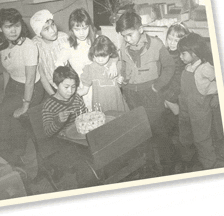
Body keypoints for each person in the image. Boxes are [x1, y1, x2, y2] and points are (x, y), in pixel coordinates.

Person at [115, 11, 175, 174]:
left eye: (130, 35)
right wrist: (123, 79)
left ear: (140, 29)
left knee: (159, 131)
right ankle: (148, 164)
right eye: (124, 36)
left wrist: (158, 86)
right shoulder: (123, 46)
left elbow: (170, 67)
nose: (127, 39)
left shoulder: (156, 44)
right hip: (131, 95)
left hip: (151, 94)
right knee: (141, 132)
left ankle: (168, 166)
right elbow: (125, 66)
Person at [0, 8, 44, 165]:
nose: (13, 30)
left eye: (16, 25)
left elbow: (30, 79)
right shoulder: (3, 44)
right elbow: (6, 70)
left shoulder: (28, 46)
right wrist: (6, 93)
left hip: (32, 89)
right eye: (7, 26)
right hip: (13, 85)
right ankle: (18, 152)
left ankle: (8, 157)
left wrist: (26, 105)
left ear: (21, 26)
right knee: (8, 115)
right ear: (0, 28)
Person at [55, 8, 118, 110]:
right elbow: (59, 66)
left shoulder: (96, 40)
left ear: (90, 26)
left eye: (84, 28)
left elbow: (113, 52)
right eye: (77, 29)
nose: (81, 33)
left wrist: (113, 65)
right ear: (71, 29)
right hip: (84, 86)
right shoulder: (68, 46)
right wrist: (71, 82)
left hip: (102, 84)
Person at [177, 33, 220, 170]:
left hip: (200, 110)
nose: (180, 57)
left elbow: (220, 81)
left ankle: (209, 164)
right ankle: (188, 159)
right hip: (185, 108)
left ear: (194, 53)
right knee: (185, 134)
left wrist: (216, 96)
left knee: (202, 138)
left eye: (183, 54)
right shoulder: (188, 66)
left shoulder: (205, 68)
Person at [78, 35, 129, 112]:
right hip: (101, 107)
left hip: (117, 104)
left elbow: (124, 85)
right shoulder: (89, 69)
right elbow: (84, 90)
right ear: (93, 54)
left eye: (104, 56)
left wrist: (120, 80)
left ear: (110, 53)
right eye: (97, 56)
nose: (100, 60)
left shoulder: (117, 65)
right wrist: (67, 96)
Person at [30, 9, 70, 96]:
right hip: (49, 87)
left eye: (53, 24)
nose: (53, 30)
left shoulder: (63, 38)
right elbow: (42, 75)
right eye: (46, 29)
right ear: (39, 33)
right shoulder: (36, 46)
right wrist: (53, 95)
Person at [41, 66, 87, 137]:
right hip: (63, 141)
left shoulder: (76, 98)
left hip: (79, 135)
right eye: (66, 87)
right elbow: (47, 133)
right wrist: (58, 121)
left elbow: (85, 116)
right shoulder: (49, 105)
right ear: (56, 86)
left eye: (73, 87)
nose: (70, 91)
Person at [162, 22, 190, 116]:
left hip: (178, 84)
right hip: (170, 83)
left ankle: (179, 115)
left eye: (176, 40)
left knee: (168, 101)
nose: (172, 43)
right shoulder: (167, 51)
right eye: (169, 39)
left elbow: (178, 77)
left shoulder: (181, 55)